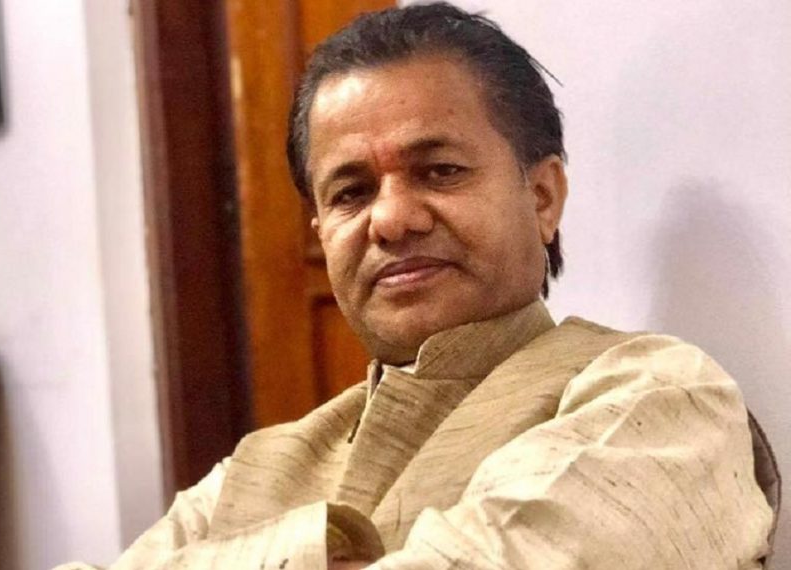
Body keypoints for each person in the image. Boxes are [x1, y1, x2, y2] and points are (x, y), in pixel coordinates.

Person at [57, 4, 778, 569]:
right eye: (351, 192)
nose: (392, 219)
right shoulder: (256, 468)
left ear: (542, 197)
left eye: (440, 171)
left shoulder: (660, 396)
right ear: (322, 232)